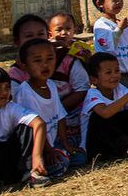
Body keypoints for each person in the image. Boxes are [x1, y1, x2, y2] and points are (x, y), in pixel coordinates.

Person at [11, 39, 73, 176]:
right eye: (37, 61)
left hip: (53, 142)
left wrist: (65, 142)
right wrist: (49, 149)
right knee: (60, 164)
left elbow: (60, 115)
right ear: (24, 65)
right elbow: (34, 127)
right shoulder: (25, 92)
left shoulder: (51, 85)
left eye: (50, 59)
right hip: (37, 147)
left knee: (79, 157)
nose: (45, 65)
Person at [46, 13, 90, 166]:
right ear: (49, 33)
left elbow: (82, 88)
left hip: (70, 110)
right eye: (59, 29)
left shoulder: (75, 55)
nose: (63, 33)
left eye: (68, 29)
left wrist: (60, 109)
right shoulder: (40, 54)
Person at [7, 14, 50, 93]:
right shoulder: (16, 74)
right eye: (29, 35)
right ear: (17, 41)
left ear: (48, 36)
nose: (36, 39)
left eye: (41, 34)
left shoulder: (61, 59)